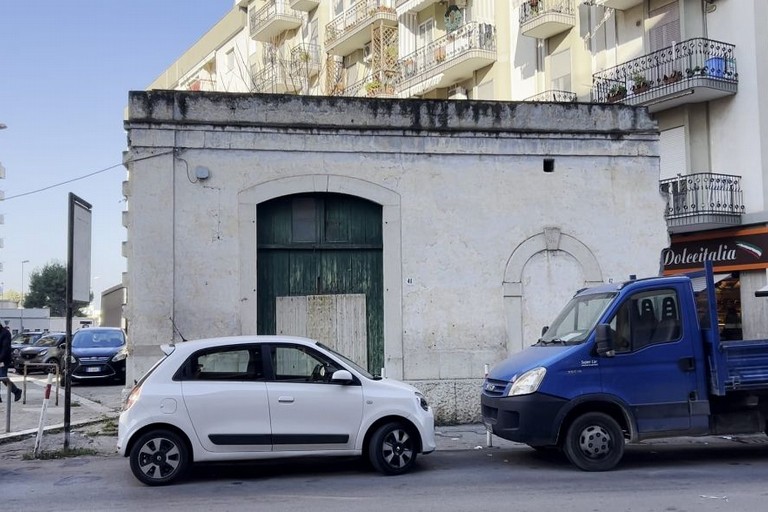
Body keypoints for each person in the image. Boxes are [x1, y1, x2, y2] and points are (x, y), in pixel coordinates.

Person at [0, 321, 23, 402]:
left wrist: (0, 358)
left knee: (3, 377)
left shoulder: (5, 333)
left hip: (3, 360)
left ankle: (16, 391)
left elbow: (5, 348)